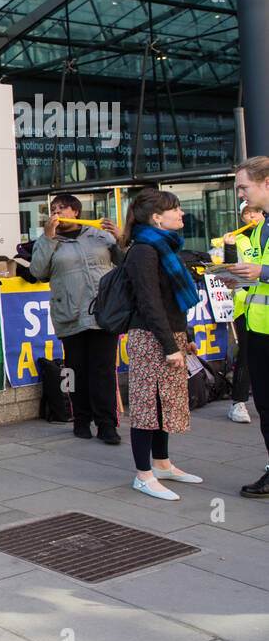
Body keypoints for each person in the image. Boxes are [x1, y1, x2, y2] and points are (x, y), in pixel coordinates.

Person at [121, 189, 204, 500]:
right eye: (175, 209)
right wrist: (170, 346)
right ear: (157, 217)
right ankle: (143, 475)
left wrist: (188, 337)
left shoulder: (166, 246)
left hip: (169, 334)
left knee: (165, 402)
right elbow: (149, 303)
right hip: (149, 337)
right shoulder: (144, 250)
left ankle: (163, 464)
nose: (181, 214)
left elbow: (174, 302)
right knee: (147, 405)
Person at [29, 193, 127, 445]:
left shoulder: (98, 235)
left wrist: (121, 238)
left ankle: (107, 424)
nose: (56, 212)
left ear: (75, 211)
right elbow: (38, 272)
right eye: (52, 208)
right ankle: (81, 419)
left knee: (104, 370)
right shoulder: (47, 240)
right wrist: (48, 240)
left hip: (102, 314)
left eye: (61, 208)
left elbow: (126, 262)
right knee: (74, 370)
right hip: (69, 314)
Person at [224, 158, 269, 497]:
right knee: (265, 408)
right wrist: (238, 279)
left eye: (243, 186)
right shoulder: (262, 226)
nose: (239, 194)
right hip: (258, 330)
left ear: (266, 183)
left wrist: (261, 274)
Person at [222, 202, 263, 424]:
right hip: (245, 304)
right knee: (246, 353)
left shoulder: (264, 235)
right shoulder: (237, 239)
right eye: (248, 213)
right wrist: (228, 247)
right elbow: (230, 271)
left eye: (256, 211)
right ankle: (238, 402)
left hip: (264, 307)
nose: (253, 216)